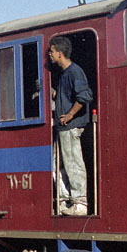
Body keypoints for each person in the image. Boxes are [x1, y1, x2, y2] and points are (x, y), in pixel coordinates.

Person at [48, 35, 94, 216]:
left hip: (70, 126)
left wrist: (69, 115)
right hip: (62, 127)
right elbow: (65, 96)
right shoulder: (64, 74)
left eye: (51, 52)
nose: (49, 55)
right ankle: (65, 200)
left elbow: (85, 96)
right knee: (58, 164)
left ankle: (80, 203)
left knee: (73, 164)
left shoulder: (75, 71)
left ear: (59, 53)